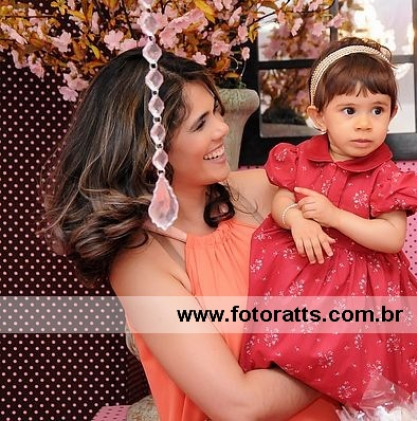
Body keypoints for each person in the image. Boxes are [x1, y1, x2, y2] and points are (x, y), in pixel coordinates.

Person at [40, 47, 339, 420]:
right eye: (200, 124)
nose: (223, 128)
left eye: (216, 111)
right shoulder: (143, 263)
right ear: (150, 150)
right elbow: (238, 405)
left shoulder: (263, 193)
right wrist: (348, 355)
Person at [239, 37, 417, 408]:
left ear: (392, 114)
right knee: (291, 345)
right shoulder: (301, 159)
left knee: (368, 373)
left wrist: (335, 217)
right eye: (349, 110)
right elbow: (282, 198)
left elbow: (392, 237)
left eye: (377, 110)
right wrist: (296, 219)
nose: (364, 124)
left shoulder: (387, 176)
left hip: (362, 288)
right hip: (308, 276)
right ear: (318, 116)